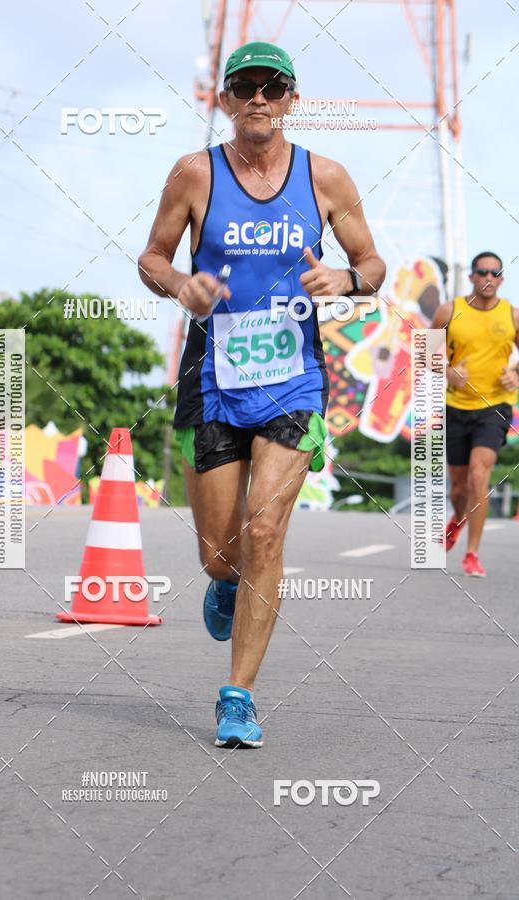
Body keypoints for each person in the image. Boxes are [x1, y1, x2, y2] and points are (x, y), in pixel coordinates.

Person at [138, 41, 385, 747]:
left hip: (294, 378)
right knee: (222, 554)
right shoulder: (195, 174)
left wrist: (348, 280)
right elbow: (151, 254)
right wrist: (181, 283)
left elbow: (374, 262)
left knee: (267, 529)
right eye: (243, 86)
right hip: (212, 376)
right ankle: (225, 580)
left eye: (272, 87)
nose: (258, 97)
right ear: (224, 100)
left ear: (291, 100)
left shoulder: (327, 178)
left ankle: (238, 695)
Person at [431, 252, 519, 576]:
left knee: (479, 475)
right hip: (456, 407)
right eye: (482, 272)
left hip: (495, 406)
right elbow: (426, 353)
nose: (488, 277)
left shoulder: (512, 315)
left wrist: (517, 375)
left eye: (495, 272)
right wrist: (449, 371)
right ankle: (458, 518)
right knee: (458, 489)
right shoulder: (449, 310)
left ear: (501, 278)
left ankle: (472, 554)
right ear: (471, 277)